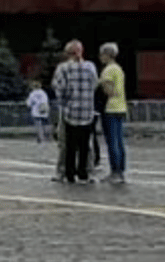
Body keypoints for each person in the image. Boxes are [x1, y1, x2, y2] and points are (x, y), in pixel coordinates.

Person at [52, 40, 98, 184]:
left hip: (69, 112)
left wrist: (65, 102)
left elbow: (60, 89)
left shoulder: (63, 68)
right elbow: (95, 84)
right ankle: (85, 173)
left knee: (67, 145)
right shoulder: (91, 67)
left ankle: (67, 173)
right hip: (87, 112)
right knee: (86, 145)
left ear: (67, 53)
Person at [97, 42, 128, 184]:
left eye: (102, 54)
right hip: (121, 107)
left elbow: (109, 91)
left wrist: (100, 84)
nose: (100, 57)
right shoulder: (119, 69)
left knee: (112, 142)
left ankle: (115, 172)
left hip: (110, 108)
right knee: (120, 141)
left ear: (107, 55)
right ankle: (121, 170)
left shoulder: (108, 70)